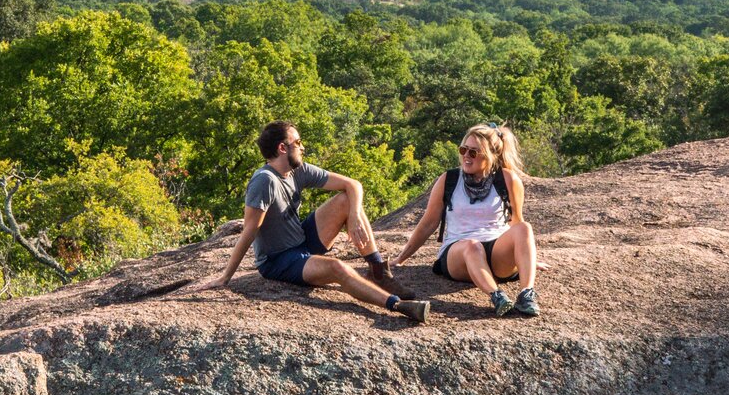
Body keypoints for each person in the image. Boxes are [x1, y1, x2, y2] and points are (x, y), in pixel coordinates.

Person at [220, 120, 430, 323]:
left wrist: (355, 215)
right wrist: (225, 278)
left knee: (346, 200)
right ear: (282, 148)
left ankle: (379, 272)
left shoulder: (297, 170)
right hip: (279, 260)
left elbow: (353, 184)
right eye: (298, 142)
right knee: (337, 267)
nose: (303, 147)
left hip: (302, 241)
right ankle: (397, 305)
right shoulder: (264, 180)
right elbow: (249, 230)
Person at [390, 123, 541, 316]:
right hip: (458, 253)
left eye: (474, 153)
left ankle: (526, 294)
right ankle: (497, 297)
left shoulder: (507, 179)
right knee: (472, 246)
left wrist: (526, 258)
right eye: (464, 150)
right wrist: (400, 258)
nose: (466, 157)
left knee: (525, 228)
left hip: (496, 252)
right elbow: (428, 223)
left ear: (490, 155)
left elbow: (516, 222)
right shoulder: (449, 179)